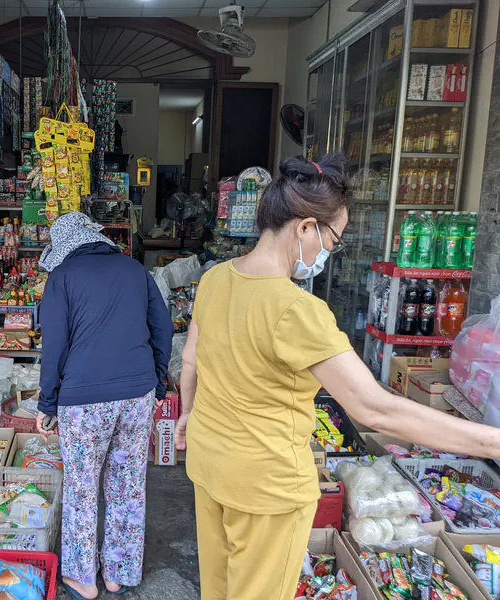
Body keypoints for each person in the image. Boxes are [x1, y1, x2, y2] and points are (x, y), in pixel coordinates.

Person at [176, 154, 500, 600]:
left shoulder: (215, 279)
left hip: (211, 467)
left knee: (220, 588)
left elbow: (191, 360)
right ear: (305, 228)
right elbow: (375, 408)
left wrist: (187, 415)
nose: (329, 250)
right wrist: (490, 441)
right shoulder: (296, 310)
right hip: (267, 488)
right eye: (334, 238)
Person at [35, 212, 173, 600]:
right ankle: (119, 572)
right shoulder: (135, 271)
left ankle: (83, 578)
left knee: (82, 488)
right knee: (127, 485)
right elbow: (163, 328)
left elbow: (54, 349)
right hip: (137, 393)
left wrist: (48, 403)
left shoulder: (61, 279)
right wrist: (157, 382)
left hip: (83, 401)